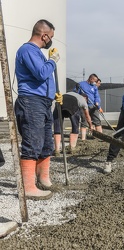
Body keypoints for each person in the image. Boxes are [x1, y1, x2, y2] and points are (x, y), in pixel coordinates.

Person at [14, 19, 61, 200]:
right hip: (31, 101)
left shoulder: (37, 53)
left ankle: (43, 179)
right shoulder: (27, 50)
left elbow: (44, 77)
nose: (51, 41)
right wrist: (53, 61)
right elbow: (41, 73)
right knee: (33, 143)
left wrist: (53, 94)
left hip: (43, 102)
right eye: (51, 37)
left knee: (46, 144)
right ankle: (28, 187)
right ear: (44, 35)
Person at [53, 92, 95, 156]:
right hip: (72, 104)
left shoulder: (71, 93)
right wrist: (90, 125)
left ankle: (57, 150)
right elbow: (87, 115)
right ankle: (72, 149)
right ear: (86, 99)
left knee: (57, 128)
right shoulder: (84, 102)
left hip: (60, 102)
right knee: (75, 127)